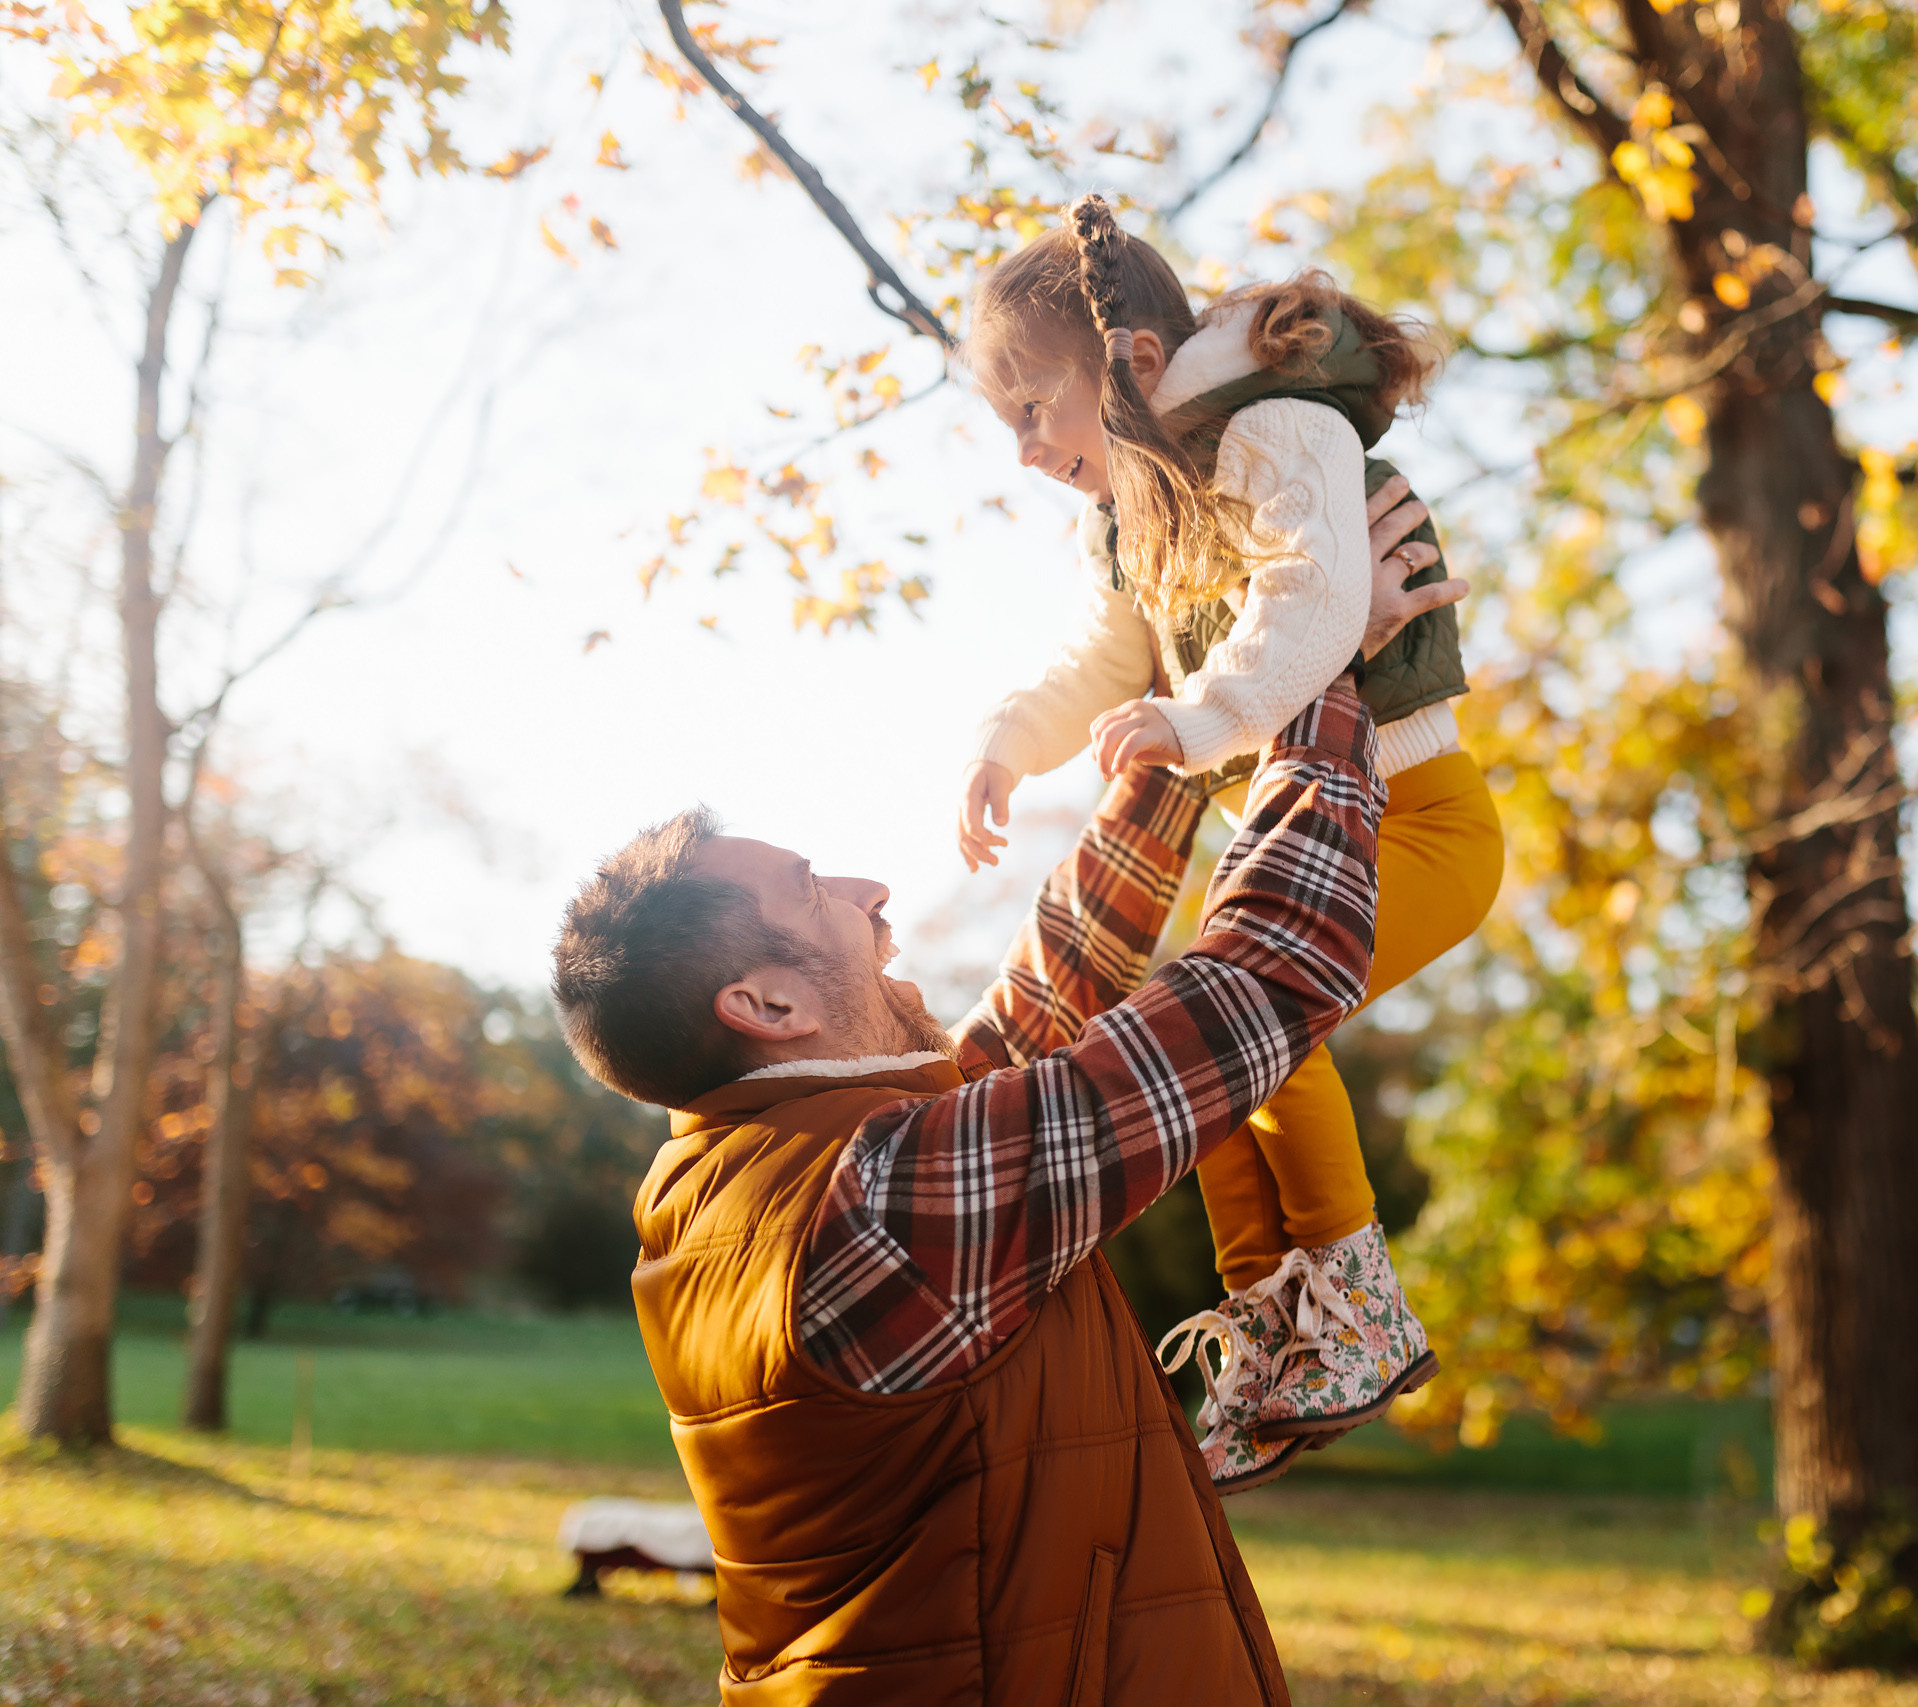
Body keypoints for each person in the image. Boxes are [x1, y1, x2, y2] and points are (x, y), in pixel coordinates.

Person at [550, 528, 1460, 1706]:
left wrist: (1191, 719)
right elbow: (1268, 973)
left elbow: (1051, 994)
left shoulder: (778, 1173)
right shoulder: (872, 1209)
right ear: (763, 1004)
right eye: (812, 889)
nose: (869, 891)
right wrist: (1314, 664)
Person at [952, 195, 1506, 1490]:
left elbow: (1314, 598)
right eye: (1007, 424)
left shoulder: (1276, 428)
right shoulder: (1133, 513)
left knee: (1257, 1024)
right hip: (1304, 834)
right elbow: (1105, 655)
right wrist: (1006, 742)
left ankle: (1355, 1316)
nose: (1027, 448)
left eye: (1037, 406)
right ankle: (1273, 1333)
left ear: (1136, 364)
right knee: (1203, 1049)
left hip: (1416, 822)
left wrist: (1201, 717)